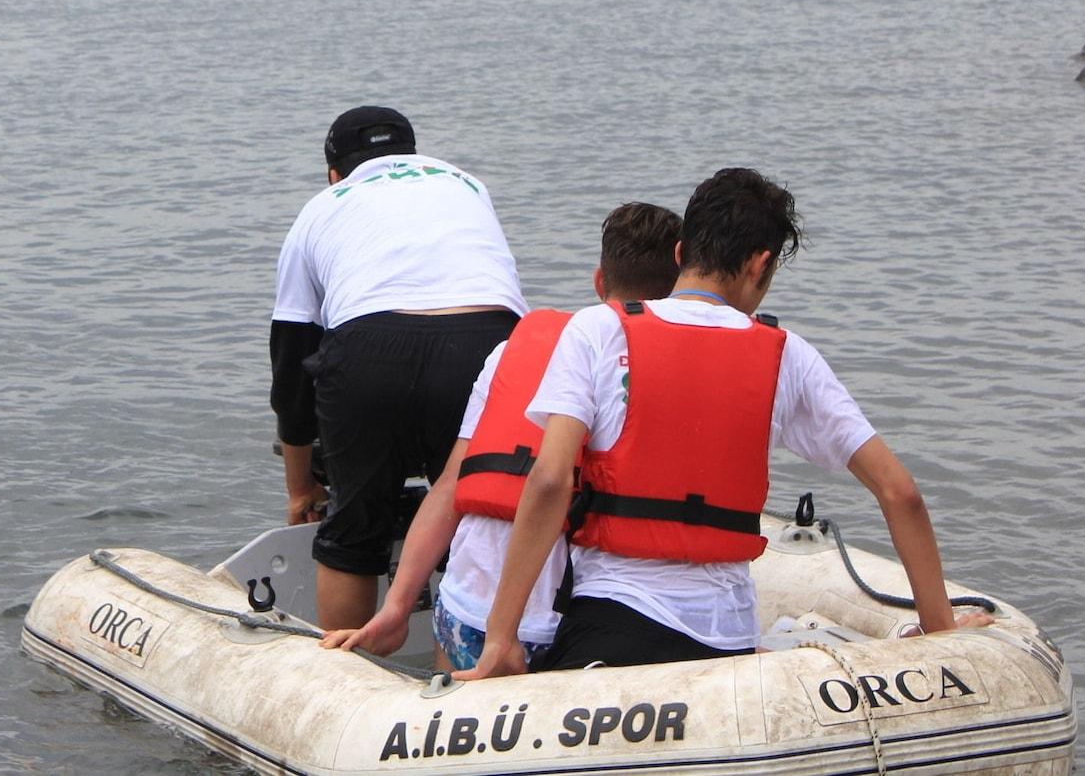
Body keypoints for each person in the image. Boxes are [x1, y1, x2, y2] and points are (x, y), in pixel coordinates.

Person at [460, 167, 992, 679]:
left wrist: (501, 637)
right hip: (724, 641)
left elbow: (550, 481)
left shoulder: (598, 330)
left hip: (611, 626)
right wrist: (940, 626)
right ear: (761, 265)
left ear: (679, 253)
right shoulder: (788, 356)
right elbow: (900, 493)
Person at [322, 202, 680, 671]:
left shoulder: (510, 351)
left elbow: (451, 486)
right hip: (569, 627)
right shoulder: (667, 371)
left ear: (599, 281)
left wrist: (396, 607)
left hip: (466, 611)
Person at [271, 106, 526, 630]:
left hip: (370, 351)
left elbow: (292, 369)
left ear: (333, 173)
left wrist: (301, 489)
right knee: (476, 526)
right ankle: (468, 680)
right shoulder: (466, 185)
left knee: (354, 534)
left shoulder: (323, 206)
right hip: (486, 345)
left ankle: (346, 674)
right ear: (410, 154)